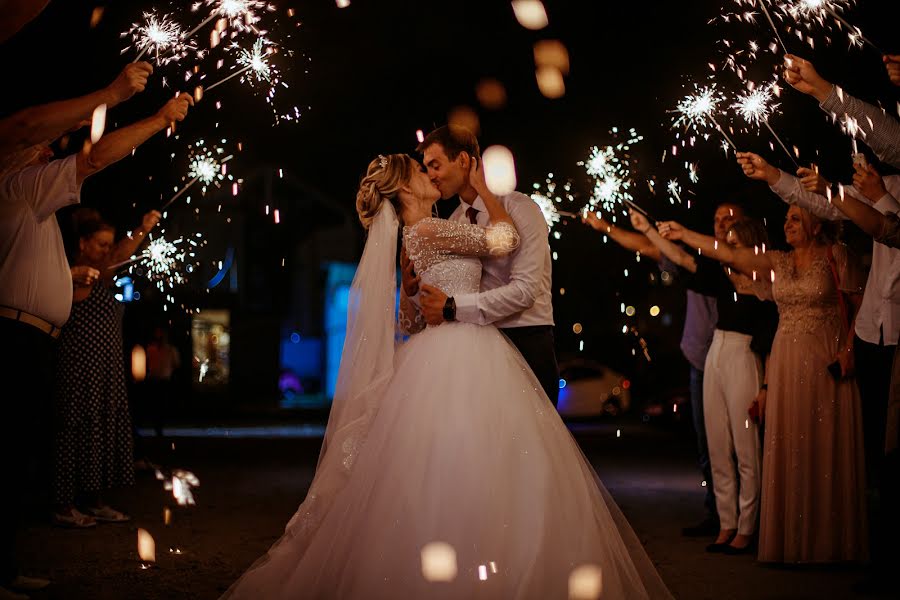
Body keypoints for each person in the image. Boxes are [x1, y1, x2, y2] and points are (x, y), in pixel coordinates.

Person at [223, 154, 672, 599]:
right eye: (421, 171)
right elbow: (503, 240)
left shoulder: (412, 240)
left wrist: (410, 292)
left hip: (440, 348)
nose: (429, 174)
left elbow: (413, 323)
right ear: (403, 190)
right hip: (466, 348)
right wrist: (488, 191)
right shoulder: (431, 229)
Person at [0, 86, 191, 596]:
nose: (48, 151)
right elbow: (95, 155)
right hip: (18, 337)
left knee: (26, 448)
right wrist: (135, 104)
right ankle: (43, 525)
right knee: (30, 443)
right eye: (39, 145)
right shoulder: (15, 186)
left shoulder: (34, 208)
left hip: (35, 337)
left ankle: (6, 565)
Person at [658, 205, 868, 563]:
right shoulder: (778, 262)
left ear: (818, 226)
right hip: (785, 360)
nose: (786, 223)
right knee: (787, 446)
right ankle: (792, 540)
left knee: (819, 443)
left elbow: (861, 303)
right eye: (784, 217)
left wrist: (850, 348)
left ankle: (826, 540)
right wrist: (683, 234)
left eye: (795, 218)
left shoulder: (837, 256)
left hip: (824, 358)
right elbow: (727, 253)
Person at [582, 206, 745, 538]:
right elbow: (648, 247)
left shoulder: (737, 263)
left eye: (729, 219)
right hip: (701, 360)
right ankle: (719, 514)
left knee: (741, 443)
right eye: (716, 220)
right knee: (708, 444)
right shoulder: (698, 257)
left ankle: (746, 518)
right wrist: (605, 227)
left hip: (736, 358)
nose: (722, 224)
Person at [632, 211, 776, 554]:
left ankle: (747, 526)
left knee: (745, 448)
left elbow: (771, 338)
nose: (728, 252)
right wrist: (650, 230)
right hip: (716, 352)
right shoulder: (721, 275)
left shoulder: (766, 279)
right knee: (717, 444)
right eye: (727, 246)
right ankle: (726, 523)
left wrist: (766, 385)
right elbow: (682, 259)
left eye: (735, 245)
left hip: (744, 354)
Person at [408, 125, 560, 405]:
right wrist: (415, 293)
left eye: (435, 165)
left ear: (463, 161)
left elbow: (525, 291)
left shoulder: (520, 207)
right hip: (476, 351)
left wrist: (453, 307)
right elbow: (438, 297)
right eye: (427, 168)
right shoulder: (453, 223)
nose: (431, 176)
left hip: (526, 341)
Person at [52, 208, 161, 527]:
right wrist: (139, 233)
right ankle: (63, 504)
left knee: (99, 430)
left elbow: (119, 253)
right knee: (74, 431)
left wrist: (142, 229)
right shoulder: (79, 274)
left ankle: (93, 500)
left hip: (106, 368)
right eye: (101, 244)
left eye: (108, 245)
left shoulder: (103, 270)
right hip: (79, 368)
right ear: (83, 243)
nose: (107, 250)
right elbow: (114, 257)